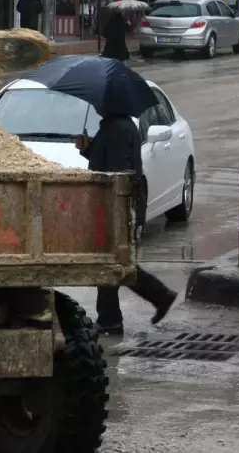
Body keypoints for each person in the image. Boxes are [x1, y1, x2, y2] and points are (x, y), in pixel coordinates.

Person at [76, 109, 177, 334]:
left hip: (116, 206)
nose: (95, 107)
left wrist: (111, 206)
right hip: (117, 205)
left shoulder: (117, 129)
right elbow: (108, 160)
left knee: (114, 262)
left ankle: (156, 297)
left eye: (99, 103)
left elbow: (118, 173)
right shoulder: (117, 125)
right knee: (114, 261)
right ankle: (114, 316)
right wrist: (88, 148)